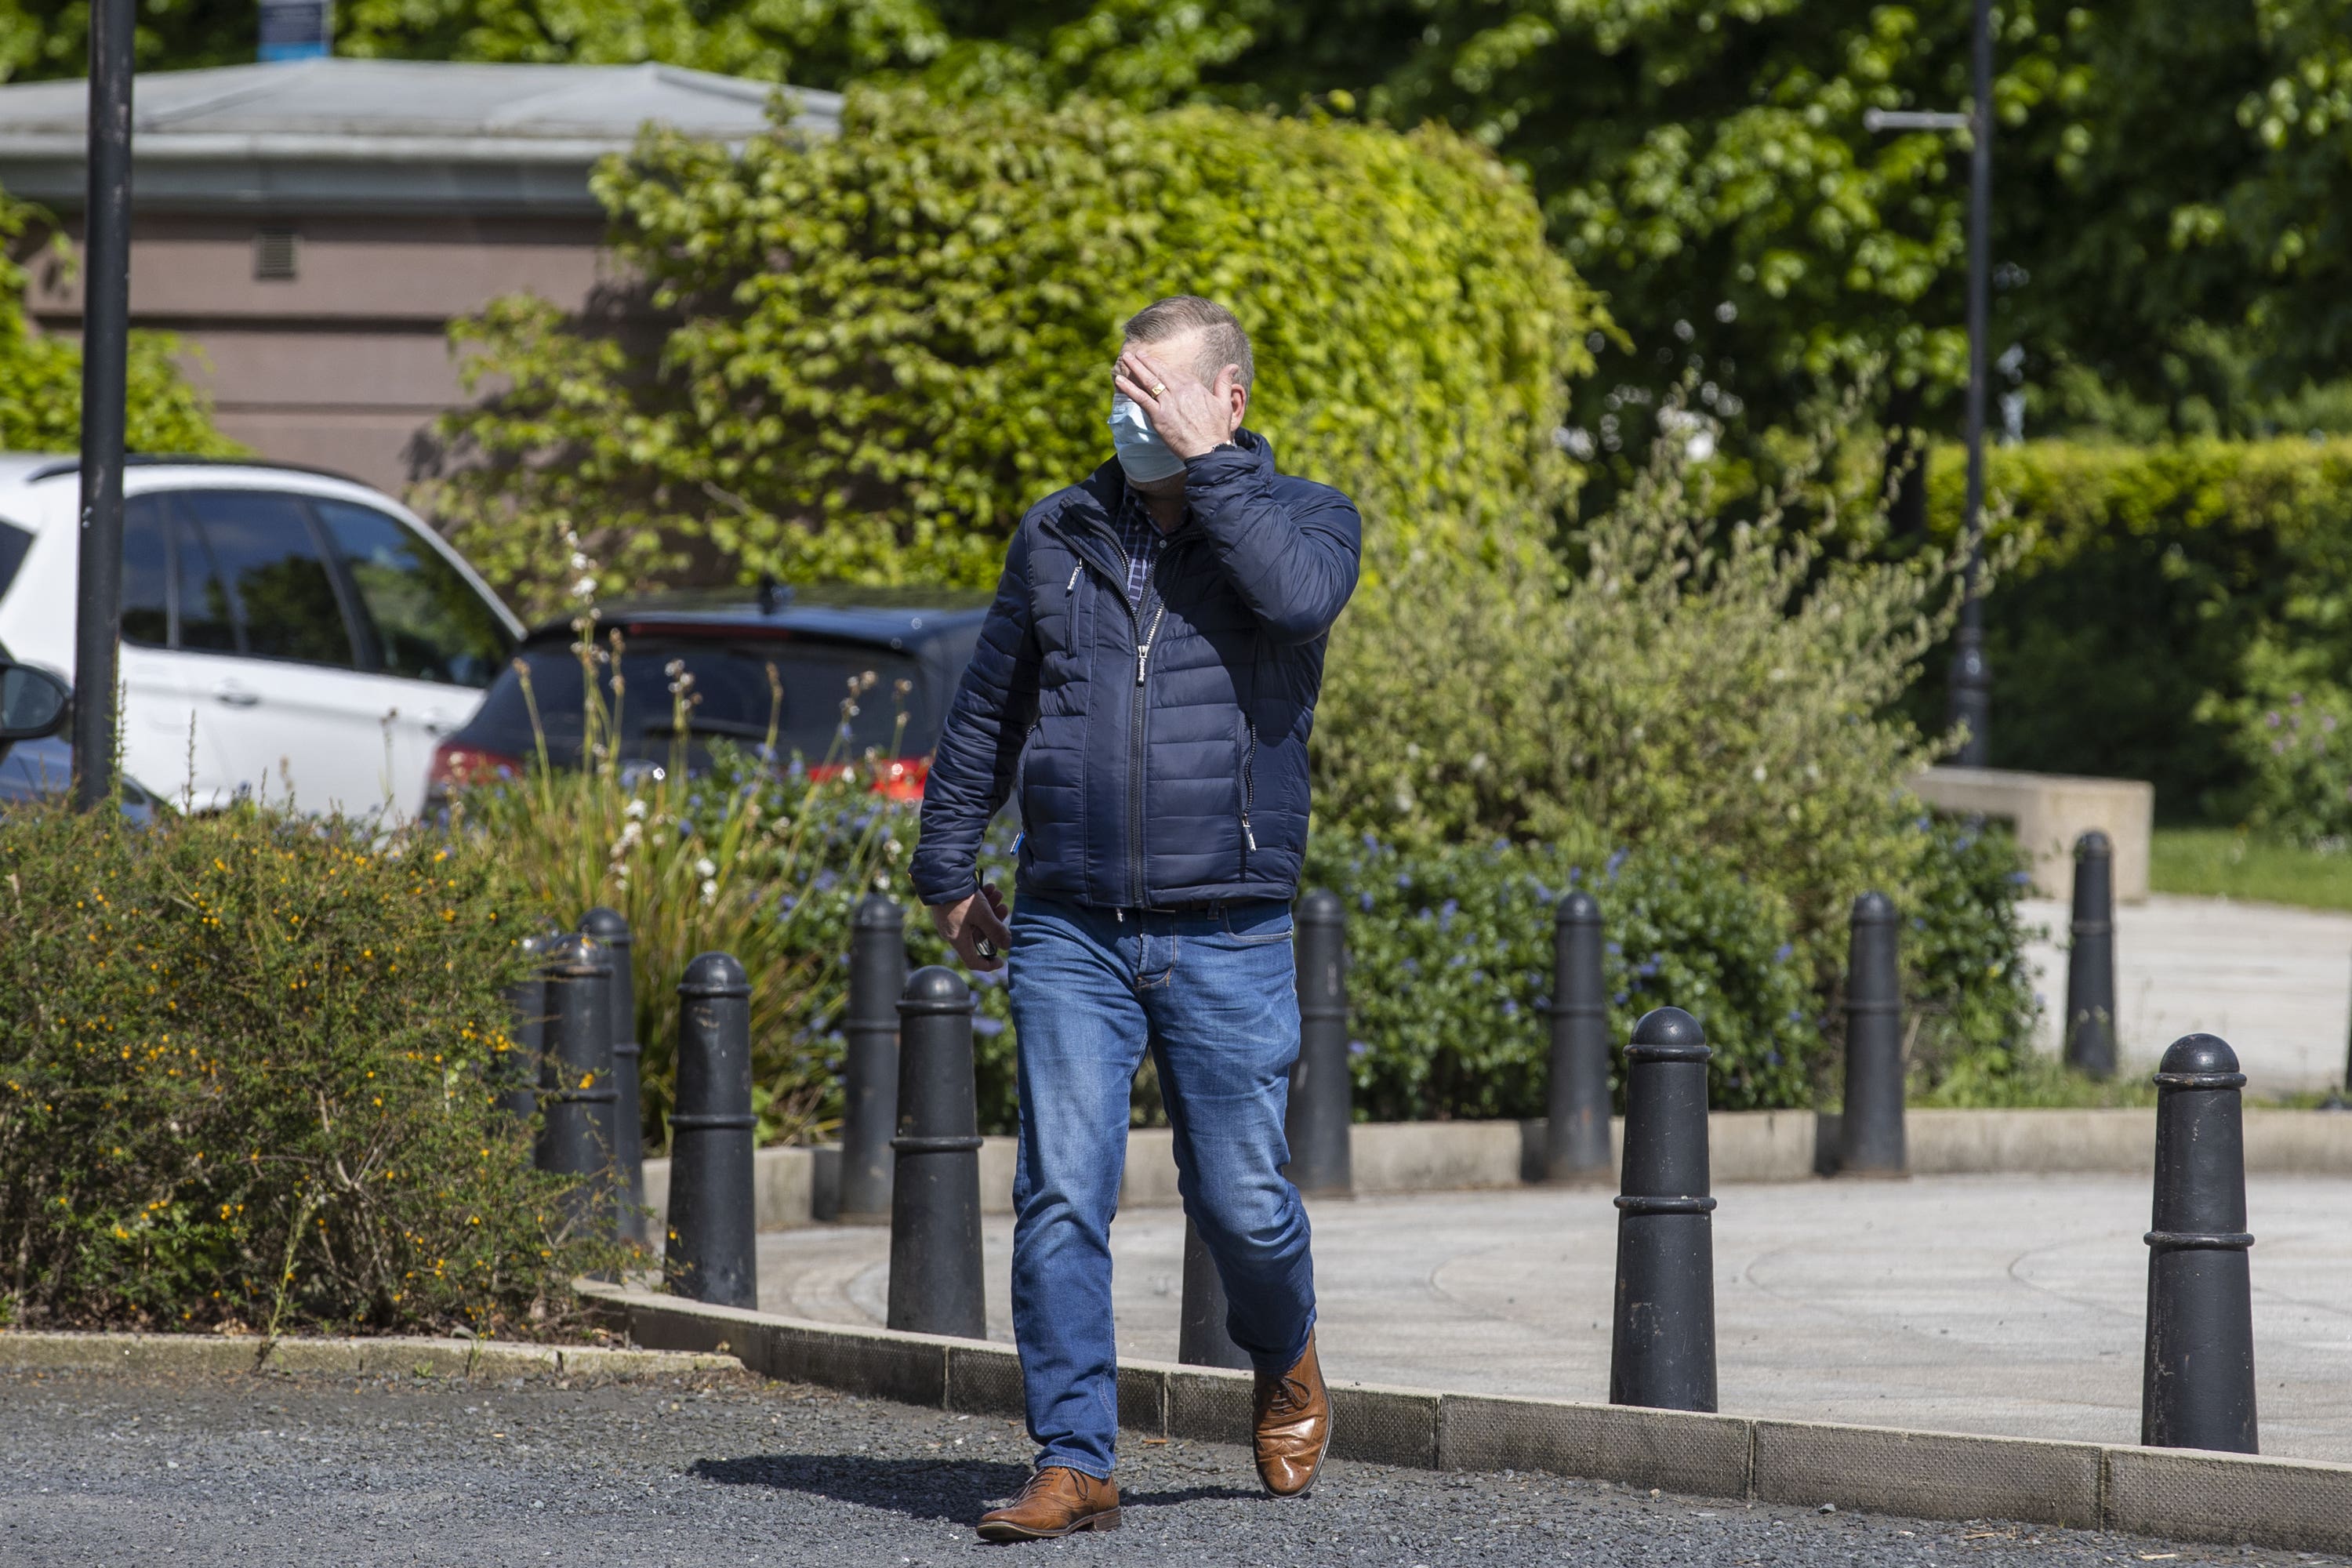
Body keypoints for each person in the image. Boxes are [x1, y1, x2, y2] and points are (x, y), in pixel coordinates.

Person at [910, 296, 1362, 1541]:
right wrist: (950, 864)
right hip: (1070, 923)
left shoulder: (1306, 522)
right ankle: (1075, 1457)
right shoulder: (1055, 534)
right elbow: (988, 709)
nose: (1134, 413)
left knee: (1244, 1200)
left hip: (1227, 925)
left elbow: (1296, 600)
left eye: (1159, 392)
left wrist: (1210, 474)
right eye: (1123, 387)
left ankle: (1285, 1351)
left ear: (1229, 401)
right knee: (1061, 1187)